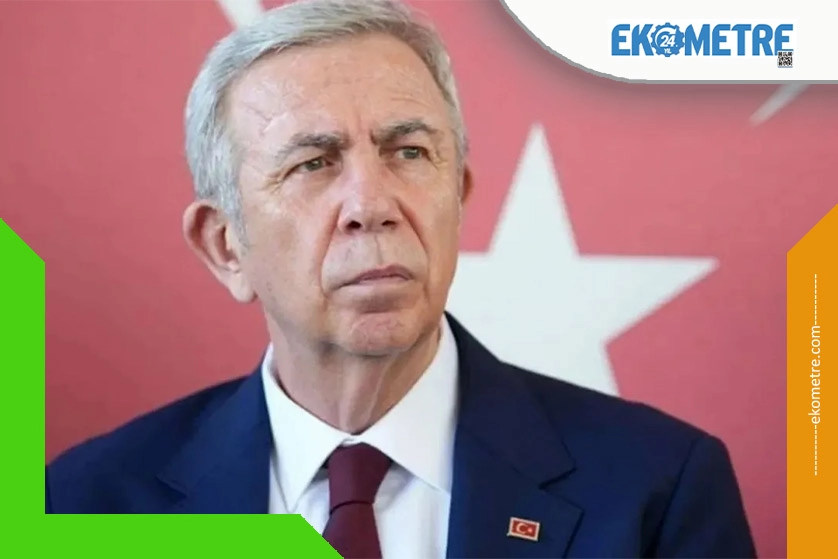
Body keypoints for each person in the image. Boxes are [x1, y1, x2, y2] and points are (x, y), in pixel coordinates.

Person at [45, 0, 757, 557]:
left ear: (459, 196)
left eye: (409, 152)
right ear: (225, 245)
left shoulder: (657, 487)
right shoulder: (86, 505)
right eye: (313, 163)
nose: (372, 203)